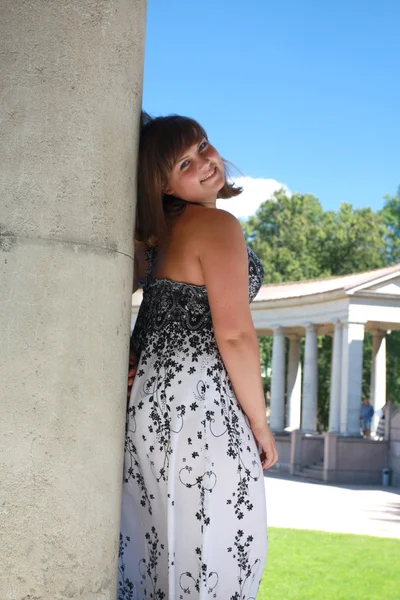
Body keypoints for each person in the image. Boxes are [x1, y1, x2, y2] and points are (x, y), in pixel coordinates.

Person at [118, 113, 278, 600]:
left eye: (202, 146)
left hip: (149, 408)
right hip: (202, 409)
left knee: (156, 548)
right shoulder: (216, 225)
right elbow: (234, 337)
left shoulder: (154, 239)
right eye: (184, 163)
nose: (206, 161)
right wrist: (260, 422)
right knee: (218, 550)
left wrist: (125, 357)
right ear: (163, 186)